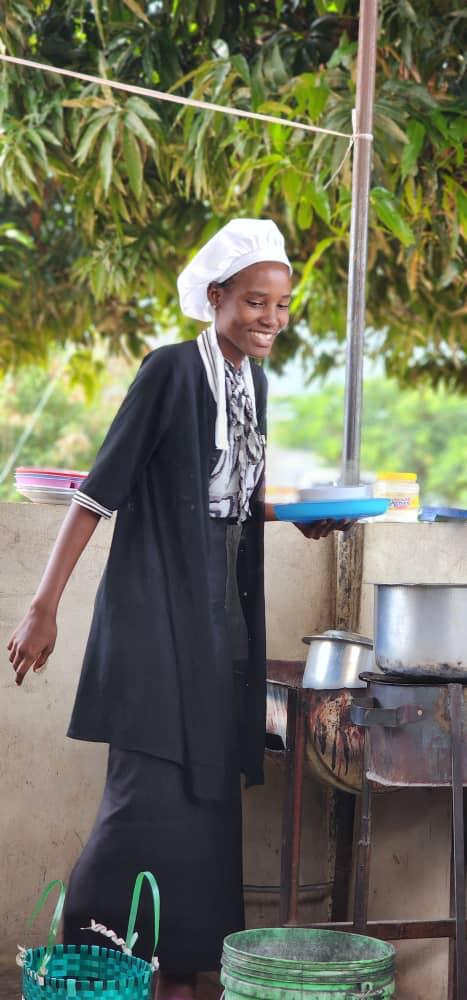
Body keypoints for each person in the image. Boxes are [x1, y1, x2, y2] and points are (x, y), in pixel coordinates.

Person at [8, 219, 348, 1000]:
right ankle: (93, 960)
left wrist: (301, 517)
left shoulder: (251, 383)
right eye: (254, 302)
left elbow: (228, 498)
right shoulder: (168, 372)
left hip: (220, 616)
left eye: (281, 305)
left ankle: (184, 973)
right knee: (144, 796)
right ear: (215, 297)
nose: (269, 317)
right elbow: (97, 493)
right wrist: (43, 607)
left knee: (207, 797)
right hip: (154, 615)